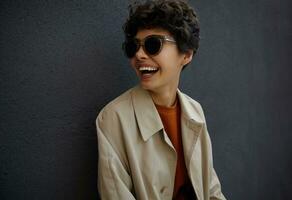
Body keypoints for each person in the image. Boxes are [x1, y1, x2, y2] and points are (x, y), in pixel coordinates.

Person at [96, 0, 226, 199]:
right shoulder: (113, 118)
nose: (139, 55)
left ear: (186, 54)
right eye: (134, 47)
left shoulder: (195, 112)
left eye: (152, 44)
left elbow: (211, 189)